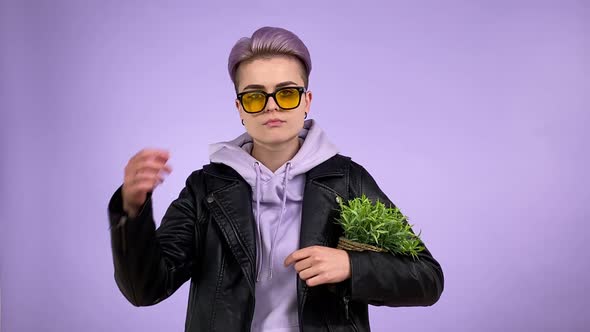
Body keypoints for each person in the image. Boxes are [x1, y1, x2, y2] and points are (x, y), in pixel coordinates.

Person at [107, 26, 444, 332]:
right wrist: (132, 209)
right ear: (239, 108)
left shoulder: (346, 179)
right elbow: (145, 289)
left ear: (306, 101)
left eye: (286, 93)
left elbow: (426, 279)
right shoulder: (205, 188)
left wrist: (351, 266)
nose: (272, 107)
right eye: (254, 96)